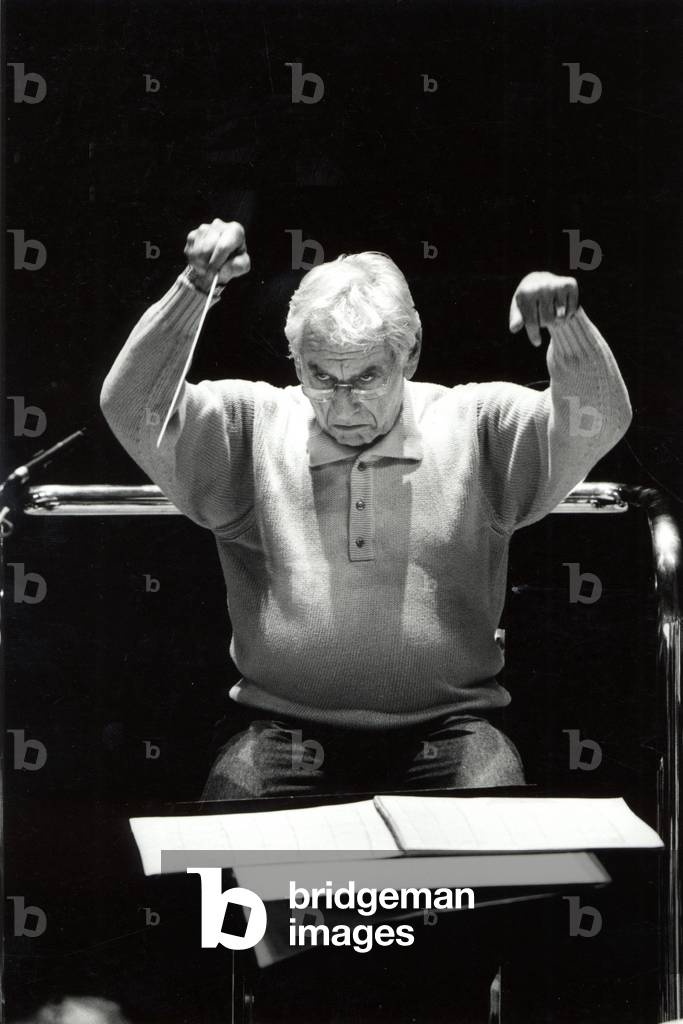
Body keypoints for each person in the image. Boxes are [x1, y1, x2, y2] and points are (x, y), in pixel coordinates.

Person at [100, 218, 632, 799]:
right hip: (283, 728)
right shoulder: (253, 423)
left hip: (451, 729)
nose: (343, 403)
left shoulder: (475, 423)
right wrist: (196, 286)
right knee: (226, 873)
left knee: (494, 864)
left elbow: (597, 421)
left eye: (368, 376)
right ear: (295, 360)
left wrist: (567, 327)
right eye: (320, 375)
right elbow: (131, 407)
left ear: (411, 355)